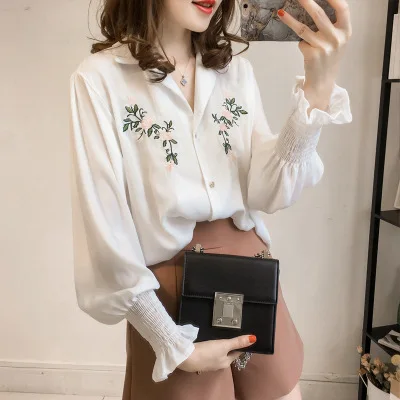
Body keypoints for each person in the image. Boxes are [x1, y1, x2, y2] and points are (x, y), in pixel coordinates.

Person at [68, 0, 352, 399]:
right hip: (173, 303)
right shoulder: (100, 79)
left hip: (254, 283)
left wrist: (318, 89)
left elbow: (270, 192)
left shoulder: (235, 72)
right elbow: (104, 228)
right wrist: (170, 341)